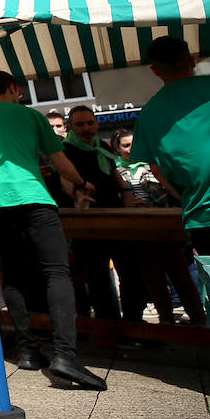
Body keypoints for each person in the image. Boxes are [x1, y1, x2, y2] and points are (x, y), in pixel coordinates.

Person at [0, 71, 108, 391]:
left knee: (14, 274)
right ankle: (65, 355)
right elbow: (60, 161)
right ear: (13, 89)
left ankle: (27, 350)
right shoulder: (30, 116)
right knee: (56, 273)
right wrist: (81, 183)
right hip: (33, 198)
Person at [132, 36, 210, 256]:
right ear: (192, 61)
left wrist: (187, 196)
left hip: (207, 219)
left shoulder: (149, 114)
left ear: (154, 70)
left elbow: (156, 169)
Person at [114, 128, 206, 326]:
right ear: (119, 149)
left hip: (164, 226)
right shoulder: (117, 169)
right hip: (138, 230)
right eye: (126, 145)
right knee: (153, 278)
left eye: (133, 144)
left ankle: (198, 318)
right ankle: (166, 319)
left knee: (180, 274)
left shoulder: (153, 164)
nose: (131, 149)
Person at [62, 106, 145, 322]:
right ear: (71, 127)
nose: (86, 128)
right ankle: (110, 328)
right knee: (98, 278)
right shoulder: (66, 150)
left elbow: (115, 174)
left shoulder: (102, 148)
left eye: (90, 123)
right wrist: (76, 194)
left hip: (116, 220)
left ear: (96, 125)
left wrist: (126, 193)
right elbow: (65, 181)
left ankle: (133, 323)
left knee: (132, 273)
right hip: (87, 223)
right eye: (80, 124)